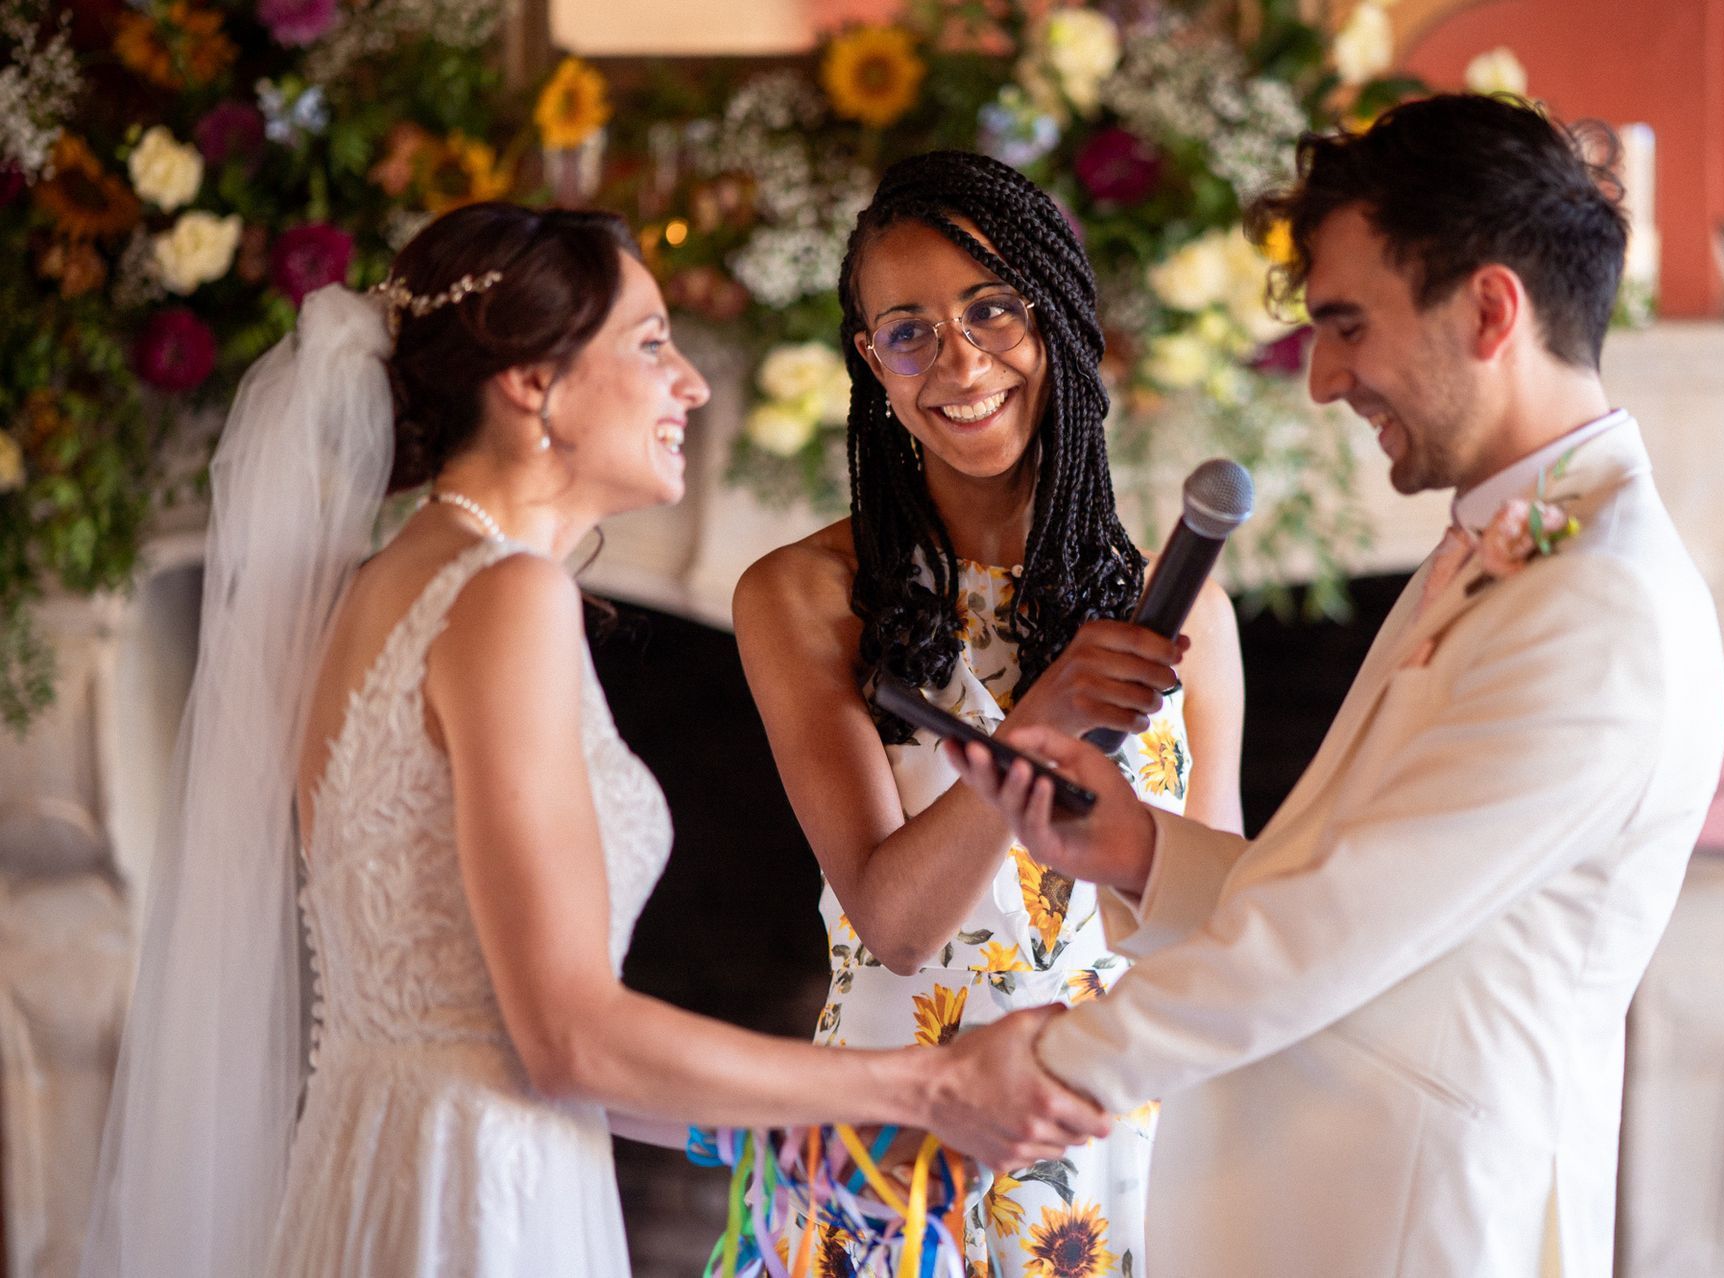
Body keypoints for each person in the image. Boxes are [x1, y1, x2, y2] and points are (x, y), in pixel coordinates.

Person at [80, 203, 1107, 1278]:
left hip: (384, 1167)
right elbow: (565, 1039)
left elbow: (478, 1024)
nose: (692, 385)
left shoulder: (387, 590)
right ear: (531, 380)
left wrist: (800, 1138)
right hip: (476, 1202)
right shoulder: (502, 595)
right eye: (653, 342)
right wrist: (923, 1086)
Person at [951, 95, 1724, 1277]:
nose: (1322, 381)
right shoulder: (1497, 543)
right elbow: (1358, 876)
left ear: (1488, 309)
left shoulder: (1598, 604)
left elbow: (1336, 927)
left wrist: (1050, 1071)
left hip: (1415, 1221)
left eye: (1348, 326)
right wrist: (1140, 852)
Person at [733, 151, 1245, 1273]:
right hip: (895, 1164)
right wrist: (1038, 722)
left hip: (1113, 1164)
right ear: (872, 361)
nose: (961, 362)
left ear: (1058, 320)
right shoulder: (802, 596)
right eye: (910, 330)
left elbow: (1215, 934)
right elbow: (897, 925)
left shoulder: (1185, 601)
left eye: (994, 310)